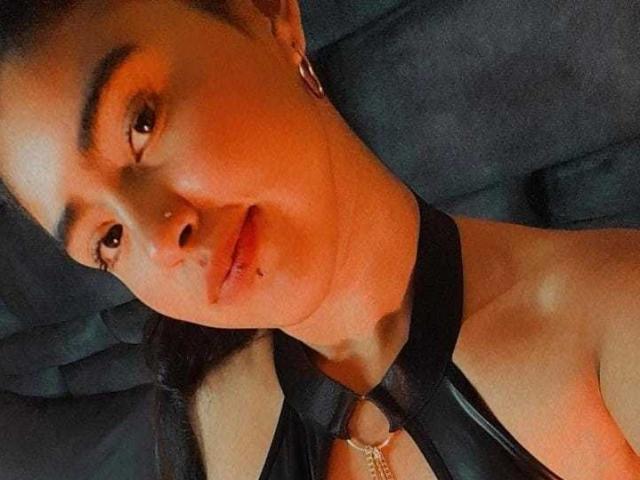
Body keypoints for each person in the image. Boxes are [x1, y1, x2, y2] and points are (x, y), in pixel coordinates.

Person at [0, 1, 638, 479]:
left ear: (271, 17)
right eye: (108, 239)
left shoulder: (613, 318)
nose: (161, 239)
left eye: (141, 122)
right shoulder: (204, 419)